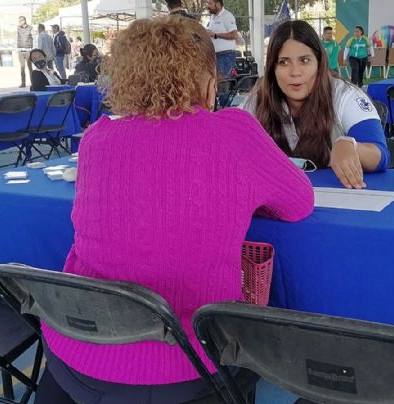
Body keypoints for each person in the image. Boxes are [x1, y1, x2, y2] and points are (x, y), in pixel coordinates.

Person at [34, 16, 314, 403]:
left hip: (75, 356)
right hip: (189, 365)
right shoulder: (234, 132)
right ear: (206, 78)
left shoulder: (98, 138)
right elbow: (299, 203)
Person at [242, 20, 389, 189]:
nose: (295, 72)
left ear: (319, 63)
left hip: (336, 203)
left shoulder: (345, 95)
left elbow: (381, 154)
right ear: (272, 68)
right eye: (283, 62)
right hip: (277, 202)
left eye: (304, 60)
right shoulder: (257, 100)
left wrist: (352, 146)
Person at [205, 0, 238, 78]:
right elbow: (214, 35)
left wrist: (215, 34)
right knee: (215, 83)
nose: (208, 6)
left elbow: (234, 35)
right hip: (216, 55)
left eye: (210, 3)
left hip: (226, 55)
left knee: (220, 83)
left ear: (218, 4)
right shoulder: (213, 17)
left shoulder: (227, 16)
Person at [16, 16, 33, 87]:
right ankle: (23, 83)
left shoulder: (30, 28)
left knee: (30, 68)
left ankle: (33, 82)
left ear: (24, 21)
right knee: (22, 67)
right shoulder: (18, 28)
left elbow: (33, 38)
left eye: (20, 21)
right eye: (18, 21)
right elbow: (16, 38)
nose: (19, 23)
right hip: (20, 50)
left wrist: (33, 49)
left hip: (28, 50)